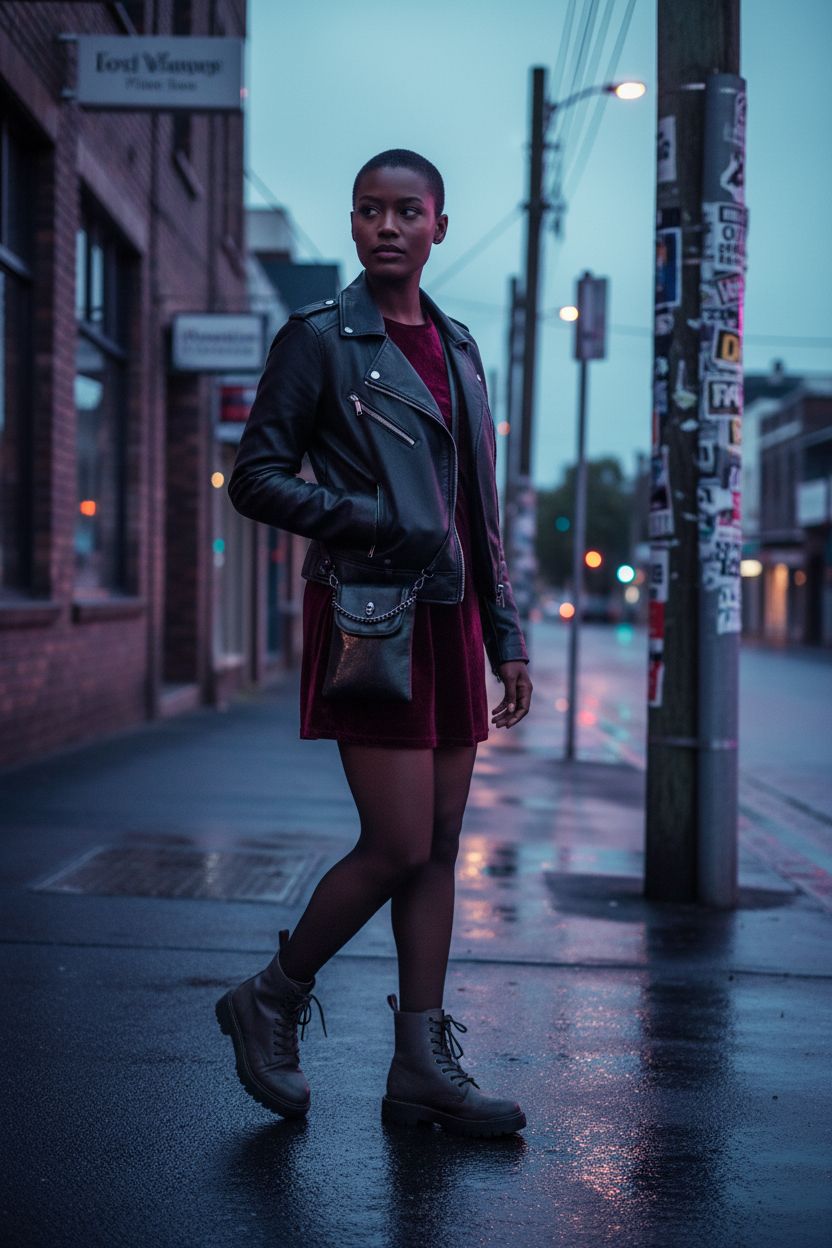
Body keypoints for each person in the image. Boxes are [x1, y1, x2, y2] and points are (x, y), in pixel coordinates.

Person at [216, 149, 533, 1138]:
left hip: (450, 620)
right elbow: (255, 478)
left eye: (406, 211)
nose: (385, 226)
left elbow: (479, 509)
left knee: (439, 847)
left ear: (439, 224)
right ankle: (269, 996)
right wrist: (361, 516)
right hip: (369, 617)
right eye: (368, 211)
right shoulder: (319, 340)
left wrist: (507, 632)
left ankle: (420, 1061)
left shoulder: (463, 349)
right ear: (352, 225)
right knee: (395, 844)